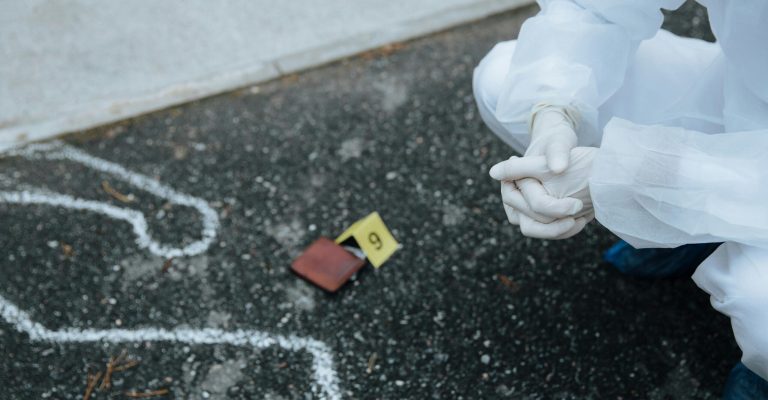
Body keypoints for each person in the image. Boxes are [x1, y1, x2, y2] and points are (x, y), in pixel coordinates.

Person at [472, 1, 768, 398]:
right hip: (746, 96)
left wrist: (630, 175)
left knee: (761, 307)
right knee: (504, 78)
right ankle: (692, 232)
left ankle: (762, 371)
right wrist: (553, 110)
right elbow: (598, 7)